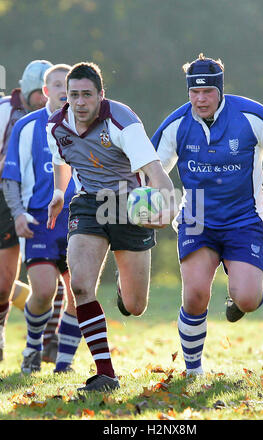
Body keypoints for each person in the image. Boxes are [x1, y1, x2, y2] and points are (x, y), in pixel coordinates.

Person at [151, 53, 263, 376]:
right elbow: (151, 171)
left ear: (220, 91)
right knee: (195, 294)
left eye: (207, 92)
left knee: (247, 298)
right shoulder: (177, 124)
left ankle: (241, 294)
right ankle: (193, 370)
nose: (200, 99)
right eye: (194, 93)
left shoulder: (253, 115)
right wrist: (149, 206)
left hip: (244, 220)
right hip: (198, 217)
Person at [46, 62, 176, 392]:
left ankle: (123, 286)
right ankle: (106, 374)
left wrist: (167, 211)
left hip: (131, 206)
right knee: (80, 285)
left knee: (135, 306)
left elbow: (157, 173)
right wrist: (60, 193)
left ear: (100, 95)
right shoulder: (57, 127)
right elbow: (63, 162)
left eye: (86, 95)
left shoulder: (122, 122)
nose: (79, 102)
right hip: (90, 205)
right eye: (72, 95)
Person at [2, 64, 81, 374]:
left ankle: (64, 364)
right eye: (58, 85)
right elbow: (10, 178)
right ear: (46, 91)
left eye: (69, 85)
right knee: (45, 290)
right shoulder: (26, 126)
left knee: (81, 291)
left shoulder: (86, 124)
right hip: (40, 219)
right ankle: (33, 348)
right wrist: (18, 214)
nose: (64, 90)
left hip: (79, 217)